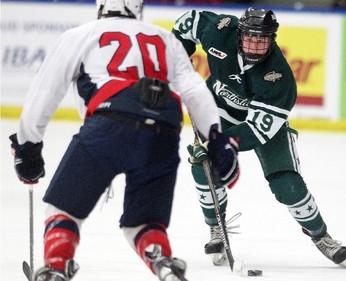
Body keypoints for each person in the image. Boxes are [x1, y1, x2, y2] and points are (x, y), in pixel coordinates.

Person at [9, 0, 240, 280]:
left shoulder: (79, 35)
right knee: (144, 223)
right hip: (165, 127)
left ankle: (56, 268)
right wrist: (216, 140)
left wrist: (27, 146)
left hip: (109, 125)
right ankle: (165, 266)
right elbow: (195, 92)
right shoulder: (164, 37)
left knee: (63, 209)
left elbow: (45, 91)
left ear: (102, 5)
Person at [172, 7, 346, 269]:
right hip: (216, 110)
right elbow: (188, 21)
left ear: (272, 39)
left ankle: (320, 235)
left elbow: (257, 130)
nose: (255, 46)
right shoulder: (221, 29)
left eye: (262, 40)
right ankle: (216, 230)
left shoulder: (280, 78)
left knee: (286, 183)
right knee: (204, 166)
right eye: (250, 39)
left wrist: (217, 145)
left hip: (262, 125)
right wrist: (179, 52)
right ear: (239, 35)